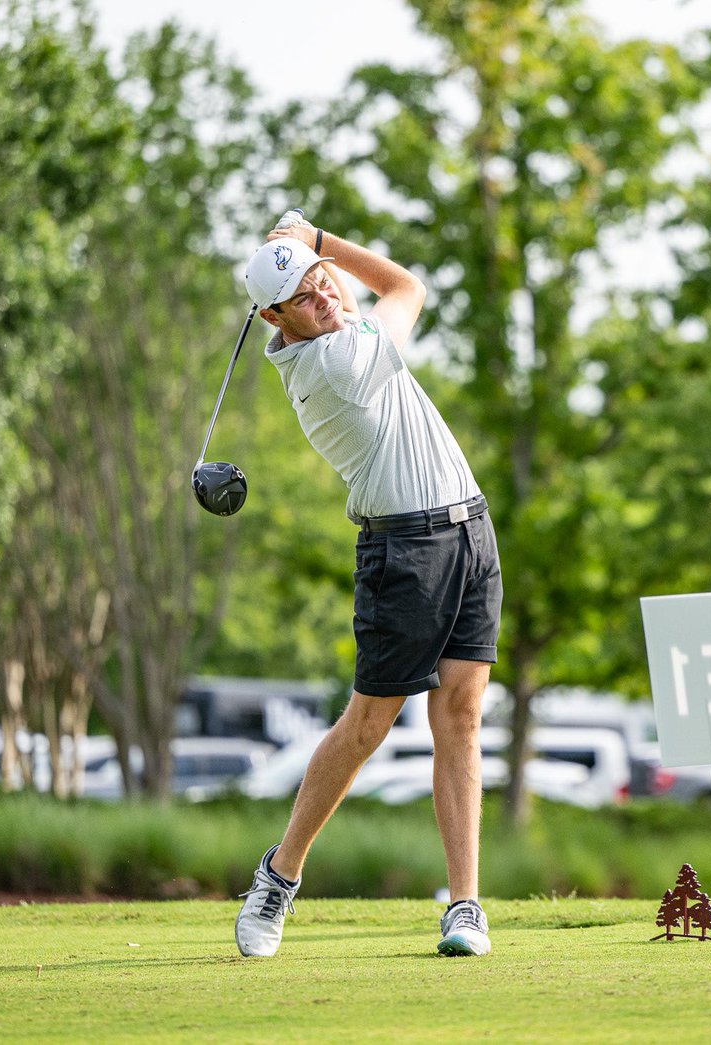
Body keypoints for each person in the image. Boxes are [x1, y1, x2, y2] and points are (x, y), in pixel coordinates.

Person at [233, 213, 503, 958]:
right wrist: (320, 242)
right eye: (302, 295)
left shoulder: (335, 328)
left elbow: (359, 298)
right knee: (368, 726)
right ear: (274, 319)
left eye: (321, 283)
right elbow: (406, 286)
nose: (323, 295)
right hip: (404, 552)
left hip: (470, 530)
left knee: (462, 716)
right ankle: (279, 876)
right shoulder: (335, 363)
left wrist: (312, 260)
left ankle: (465, 906)